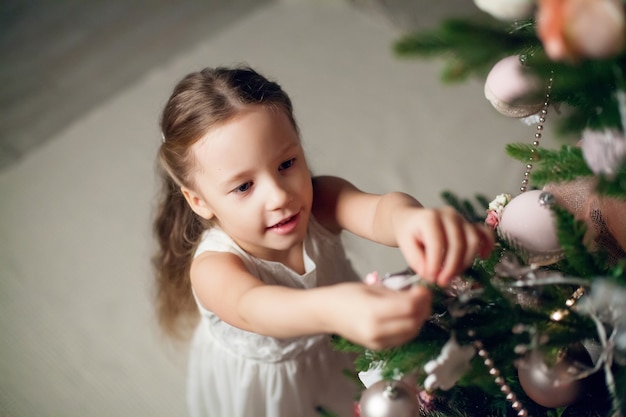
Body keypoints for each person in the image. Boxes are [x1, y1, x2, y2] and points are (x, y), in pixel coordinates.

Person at [153, 66, 495, 417]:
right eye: (244, 186)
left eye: (286, 163)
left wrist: (411, 220)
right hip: (272, 390)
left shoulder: (321, 198)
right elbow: (253, 307)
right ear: (199, 201)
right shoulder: (213, 268)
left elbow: (380, 211)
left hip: (341, 345)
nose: (278, 196)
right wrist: (335, 309)